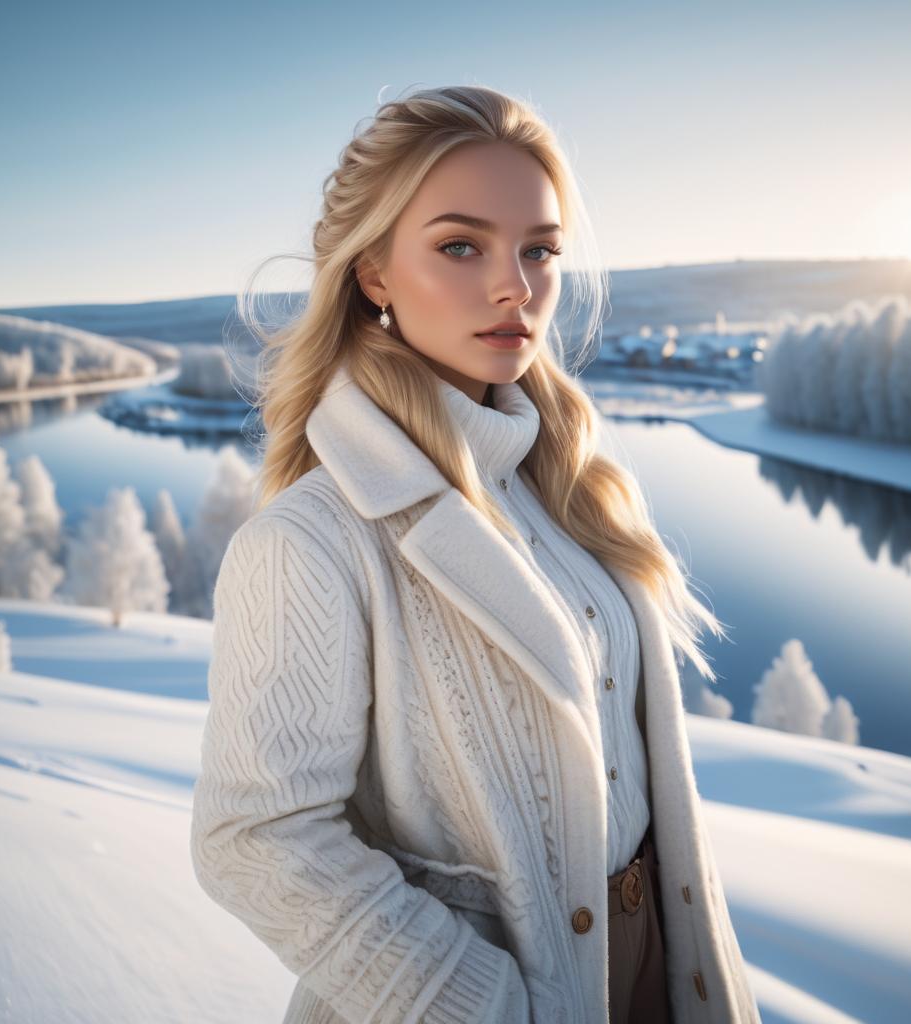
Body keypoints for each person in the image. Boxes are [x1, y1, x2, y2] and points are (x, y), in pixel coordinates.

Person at [190, 83, 761, 1024]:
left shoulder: (565, 484)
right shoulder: (313, 540)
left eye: (539, 250)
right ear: (372, 271)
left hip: (656, 970)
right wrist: (487, 1005)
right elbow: (253, 837)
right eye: (462, 246)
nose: (516, 287)